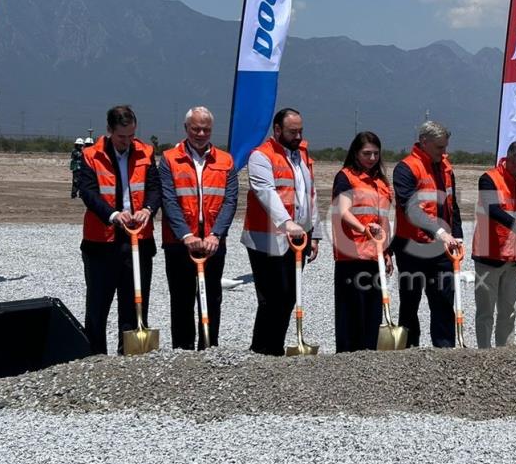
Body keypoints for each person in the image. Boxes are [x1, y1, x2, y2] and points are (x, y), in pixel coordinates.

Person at [77, 106, 161, 355]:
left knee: (135, 301)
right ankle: (94, 358)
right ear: (109, 131)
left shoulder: (145, 152)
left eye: (131, 136)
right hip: (101, 241)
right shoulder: (91, 155)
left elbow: (155, 188)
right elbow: (88, 192)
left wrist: (147, 209)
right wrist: (113, 215)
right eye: (121, 136)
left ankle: (131, 357)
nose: (127, 142)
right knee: (97, 305)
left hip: (139, 239)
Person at [241, 108, 321, 356]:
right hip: (267, 239)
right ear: (277, 130)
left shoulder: (302, 155)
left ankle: (275, 347)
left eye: (300, 131)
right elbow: (265, 192)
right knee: (271, 299)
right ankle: (262, 350)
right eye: (292, 132)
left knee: (287, 297)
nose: (298, 136)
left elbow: (311, 194)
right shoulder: (260, 157)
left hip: (299, 237)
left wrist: (314, 233)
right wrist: (287, 223)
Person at [160, 106, 238, 350]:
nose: (201, 133)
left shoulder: (225, 160)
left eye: (206, 129)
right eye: (196, 128)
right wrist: (186, 235)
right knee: (181, 300)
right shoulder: (170, 159)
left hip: (213, 244)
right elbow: (169, 199)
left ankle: (209, 347)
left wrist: (216, 234)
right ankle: (182, 352)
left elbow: (230, 200)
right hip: (180, 243)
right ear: (186, 129)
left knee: (212, 297)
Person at [393, 120, 463, 348]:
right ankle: (409, 349)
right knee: (410, 301)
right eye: (440, 147)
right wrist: (440, 231)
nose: (445, 152)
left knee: (443, 300)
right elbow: (410, 207)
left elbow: (453, 206)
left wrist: (457, 234)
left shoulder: (445, 166)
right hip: (412, 246)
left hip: (442, 247)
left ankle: (445, 350)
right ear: (424, 143)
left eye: (445, 147)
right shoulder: (406, 168)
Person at [471, 141, 516, 348]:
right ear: (508, 160)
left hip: (514, 257)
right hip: (488, 254)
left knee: (509, 309)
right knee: (485, 310)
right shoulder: (489, 179)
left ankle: (505, 351)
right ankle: (483, 350)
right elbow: (492, 209)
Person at [331, 131, 393, 352]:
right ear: (355, 153)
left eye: (376, 153)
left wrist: (387, 252)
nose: (372, 158)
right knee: (351, 313)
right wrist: (364, 229)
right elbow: (343, 211)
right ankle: (347, 359)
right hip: (352, 255)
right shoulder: (346, 177)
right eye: (367, 153)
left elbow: (384, 221)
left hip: (375, 256)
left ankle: (369, 358)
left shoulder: (381, 183)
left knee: (372, 312)